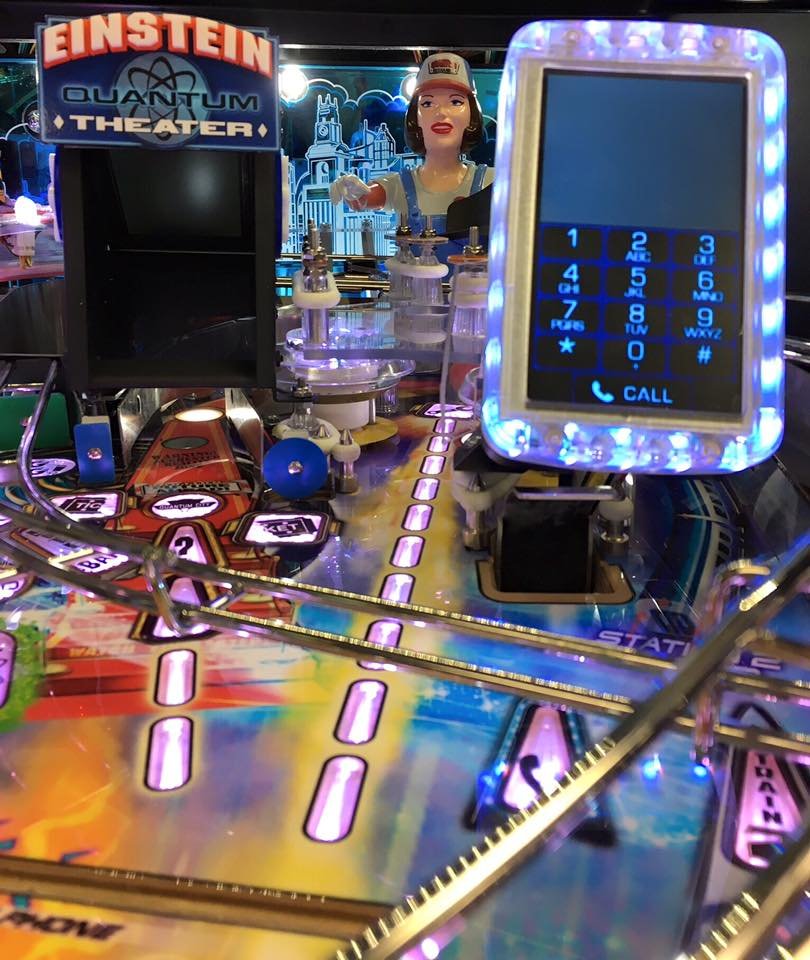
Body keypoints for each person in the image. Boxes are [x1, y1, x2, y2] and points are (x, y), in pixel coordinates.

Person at [330, 53, 493, 259]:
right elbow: (367, 195)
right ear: (415, 118)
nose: (441, 112)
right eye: (428, 103)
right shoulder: (400, 185)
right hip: (410, 281)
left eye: (455, 102)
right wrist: (353, 190)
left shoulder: (492, 182)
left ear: (472, 115)